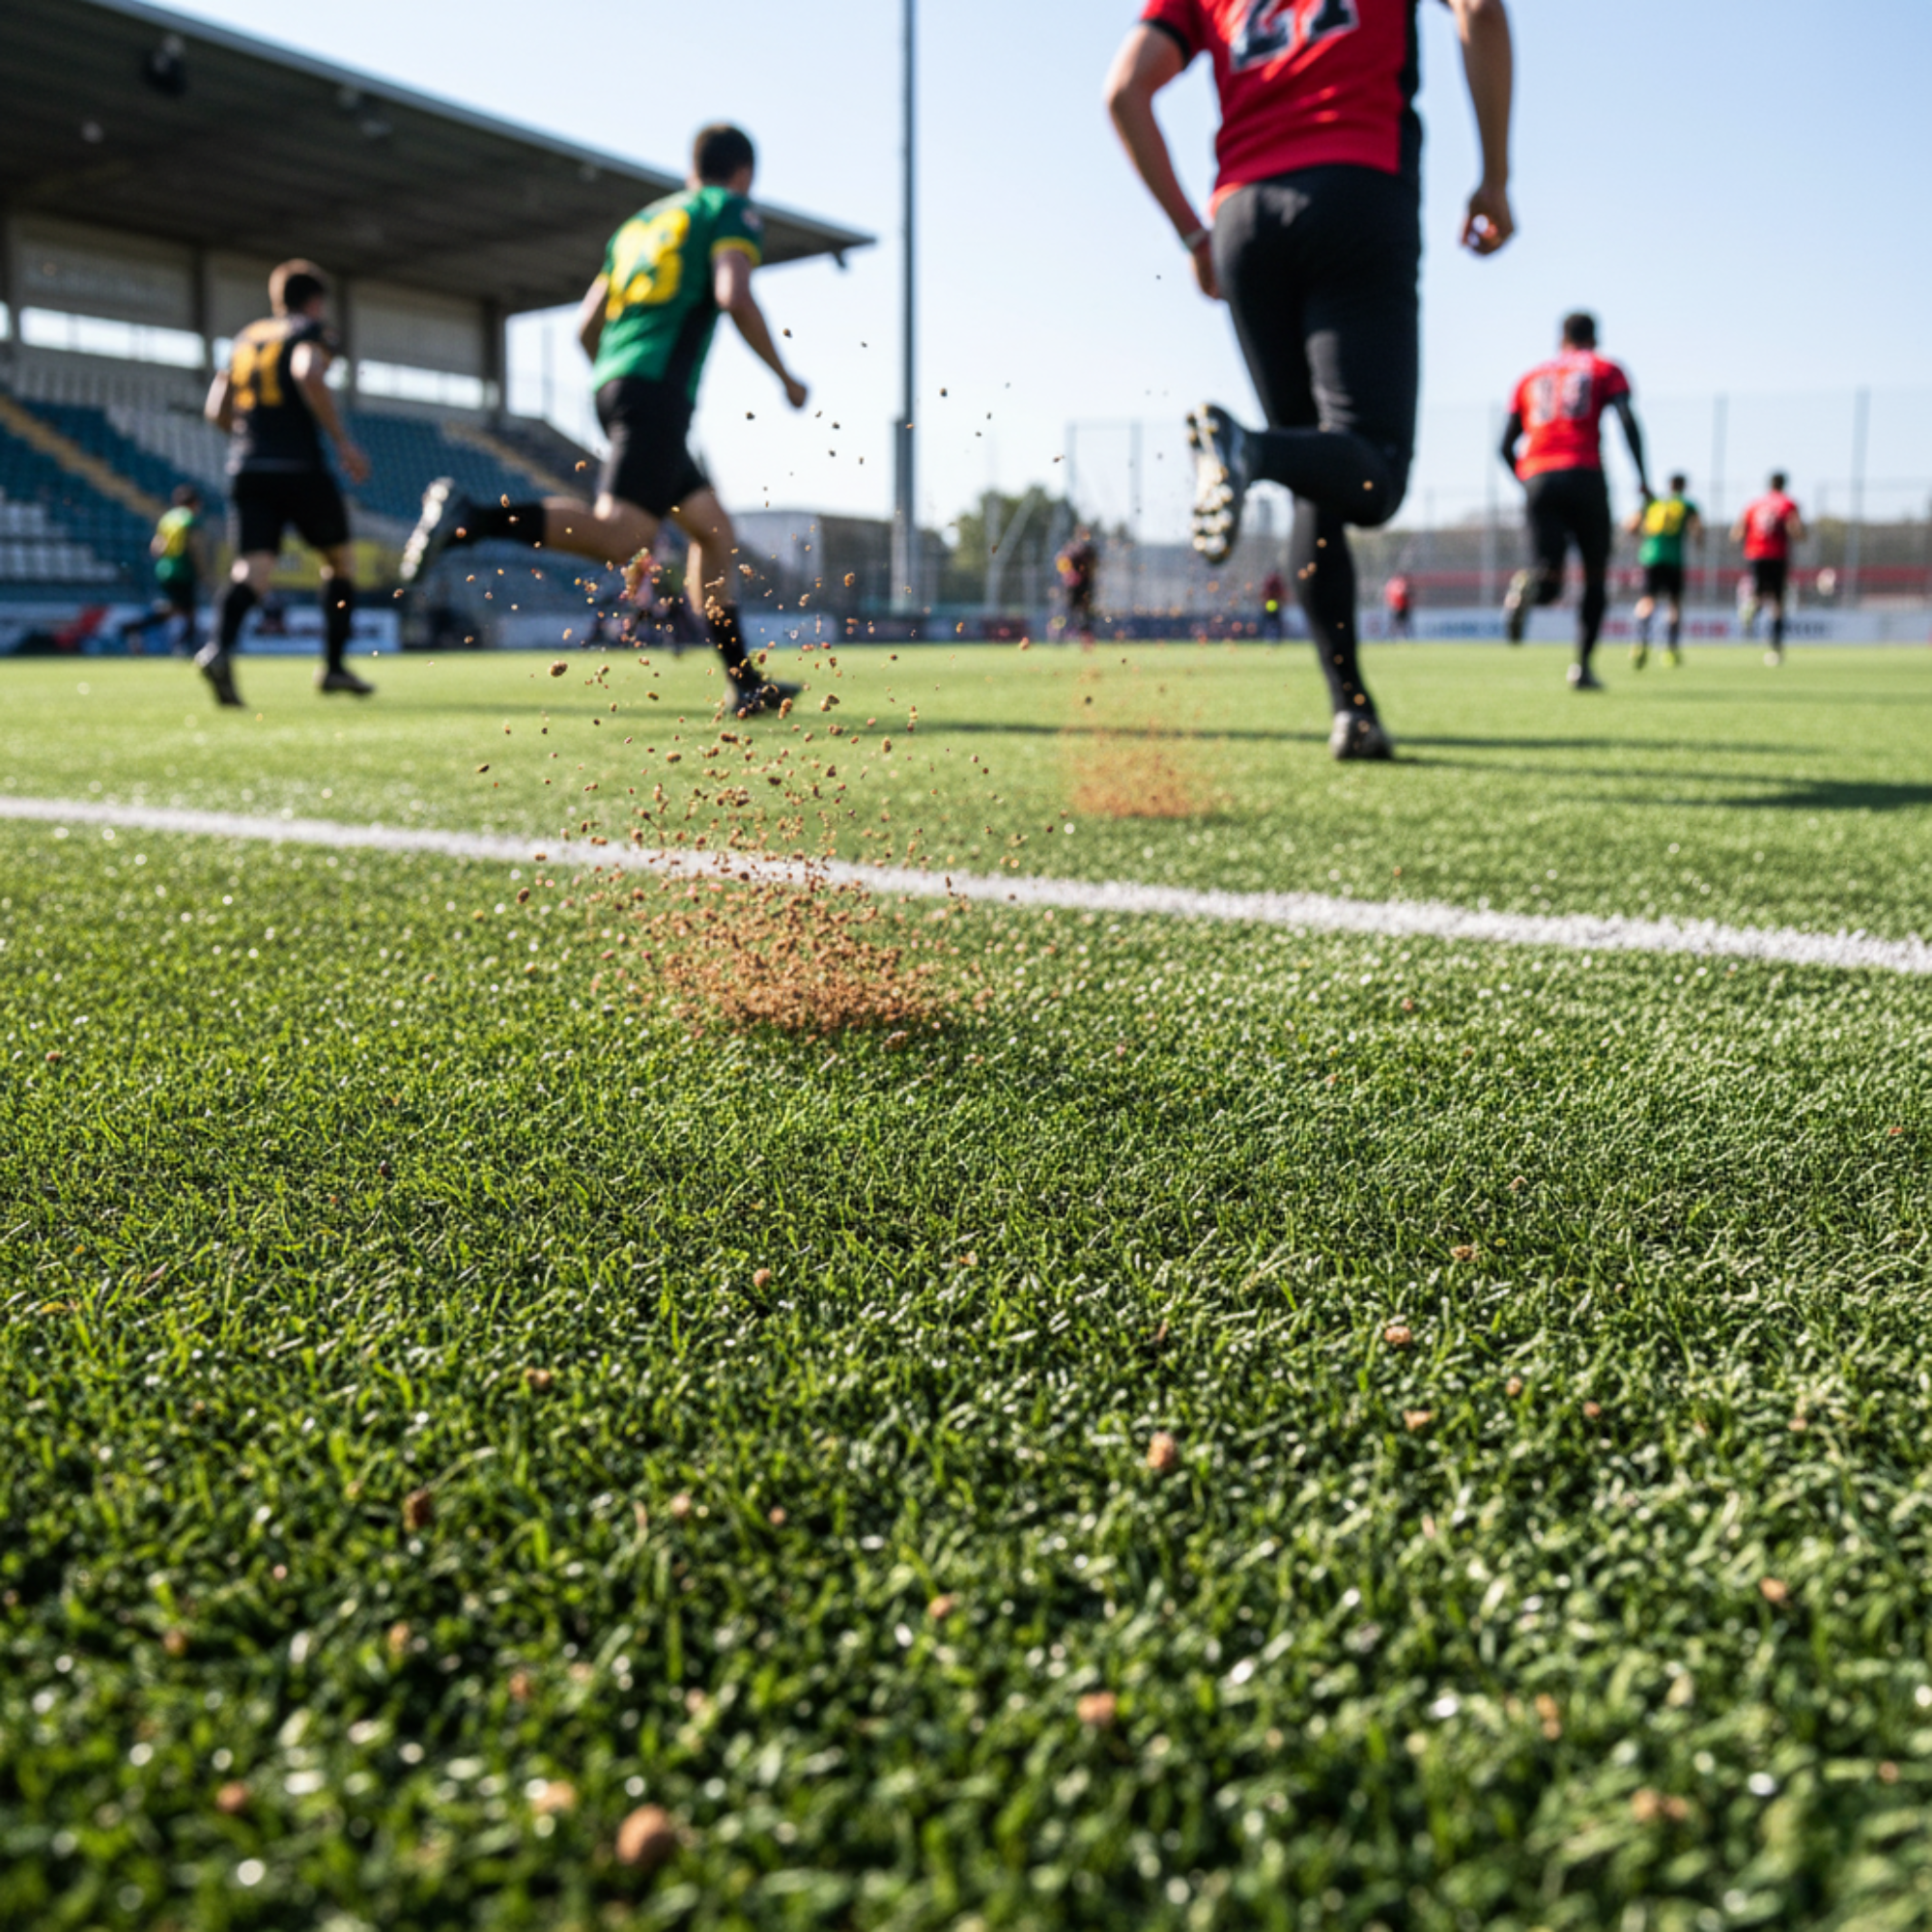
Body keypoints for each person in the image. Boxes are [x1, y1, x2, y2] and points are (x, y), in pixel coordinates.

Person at [1106, 0, 1516, 760]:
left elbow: (1124, 89)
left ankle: (1351, 711)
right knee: (1373, 470)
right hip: (1356, 187)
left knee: (1315, 471)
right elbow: (1483, 11)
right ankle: (1248, 453)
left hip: (1243, 220)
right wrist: (1494, 176)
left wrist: (1192, 234)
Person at [400, 123, 806, 720]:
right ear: (743, 174)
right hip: (656, 391)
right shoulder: (728, 209)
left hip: (616, 380)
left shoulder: (640, 226)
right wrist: (785, 376)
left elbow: (587, 326)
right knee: (622, 536)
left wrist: (619, 381)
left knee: (713, 531)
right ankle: (471, 517)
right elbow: (733, 295)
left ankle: (744, 683)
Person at [199, 260, 374, 707]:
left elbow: (216, 410)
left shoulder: (246, 338)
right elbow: (307, 372)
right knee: (340, 563)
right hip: (299, 467)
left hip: (247, 467)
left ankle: (218, 647)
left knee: (252, 574)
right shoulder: (309, 331)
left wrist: (251, 437)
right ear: (315, 300)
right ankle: (334, 667)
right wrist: (342, 443)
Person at [1499, 312, 1651, 690]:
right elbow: (1626, 419)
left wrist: (1529, 484)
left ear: (1560, 338)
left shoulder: (1530, 377)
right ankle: (1582, 667)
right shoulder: (1605, 368)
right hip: (1584, 475)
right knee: (1595, 576)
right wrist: (1643, 480)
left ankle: (1528, 589)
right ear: (1594, 337)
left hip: (1538, 477)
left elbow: (1504, 446)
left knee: (1548, 581)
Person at [120, 484, 211, 656]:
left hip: (165, 568)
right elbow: (195, 547)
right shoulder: (189, 519)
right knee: (189, 610)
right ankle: (186, 646)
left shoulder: (167, 519)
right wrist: (202, 571)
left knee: (178, 608)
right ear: (195, 503)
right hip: (183, 568)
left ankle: (136, 627)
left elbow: (156, 547)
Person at [1628, 472, 1700, 668]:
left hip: (1651, 556)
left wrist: (1645, 537)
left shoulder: (1654, 503)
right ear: (1684, 486)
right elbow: (1697, 530)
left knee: (1647, 600)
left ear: (1669, 485)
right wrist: (1697, 540)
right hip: (1674, 559)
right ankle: (1670, 650)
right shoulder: (1687, 505)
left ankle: (1640, 642)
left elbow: (1631, 526)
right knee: (1674, 604)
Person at [1734, 471, 1805, 665]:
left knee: (1761, 595)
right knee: (1777, 602)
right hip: (1777, 556)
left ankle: (1751, 608)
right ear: (1784, 484)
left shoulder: (1754, 504)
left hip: (1755, 555)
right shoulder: (1788, 504)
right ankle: (1775, 648)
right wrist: (1800, 535)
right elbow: (1795, 529)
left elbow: (1737, 533)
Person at [1057, 526, 1098, 642]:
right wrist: (1069, 575)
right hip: (1072, 586)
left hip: (1085, 584)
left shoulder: (1089, 550)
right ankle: (1062, 636)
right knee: (1069, 611)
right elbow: (1062, 563)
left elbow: (1093, 566)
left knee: (1085, 612)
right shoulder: (1071, 548)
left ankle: (1085, 636)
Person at [1260, 565, 1287, 639]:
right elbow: (1280, 592)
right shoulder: (1275, 581)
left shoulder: (1270, 581)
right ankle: (1274, 636)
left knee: (1271, 622)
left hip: (1271, 604)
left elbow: (1264, 592)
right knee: (1274, 622)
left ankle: (1271, 636)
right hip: (1273, 604)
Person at [1383, 570, 1413, 638]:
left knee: (1402, 623)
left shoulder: (1392, 583)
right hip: (1399, 606)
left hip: (1400, 606)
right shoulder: (1398, 583)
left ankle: (1405, 636)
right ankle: (1390, 636)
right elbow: (1401, 593)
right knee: (1398, 623)